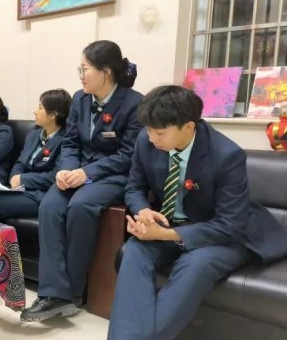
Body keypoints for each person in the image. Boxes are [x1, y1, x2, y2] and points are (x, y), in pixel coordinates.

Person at [107, 86, 287, 340]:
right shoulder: (145, 142)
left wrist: (166, 234)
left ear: (189, 127)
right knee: (135, 249)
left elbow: (229, 225)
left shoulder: (227, 155)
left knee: (196, 263)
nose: (151, 138)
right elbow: (134, 187)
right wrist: (143, 209)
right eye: (148, 130)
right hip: (173, 224)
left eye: (160, 132)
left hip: (225, 235)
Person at [21, 40, 143, 322]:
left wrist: (87, 173)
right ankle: (51, 292)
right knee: (50, 205)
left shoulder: (134, 103)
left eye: (85, 68)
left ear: (106, 71)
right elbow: (71, 142)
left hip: (113, 175)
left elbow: (128, 155)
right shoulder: (80, 98)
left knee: (80, 206)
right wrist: (66, 170)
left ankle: (71, 293)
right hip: (78, 171)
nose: (81, 75)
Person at [0, 89, 71, 222]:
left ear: (53, 114)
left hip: (41, 194)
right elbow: (20, 163)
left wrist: (23, 179)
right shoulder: (34, 135)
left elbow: (55, 176)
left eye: (40, 108)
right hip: (19, 189)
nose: (35, 111)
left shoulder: (66, 140)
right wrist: (14, 178)